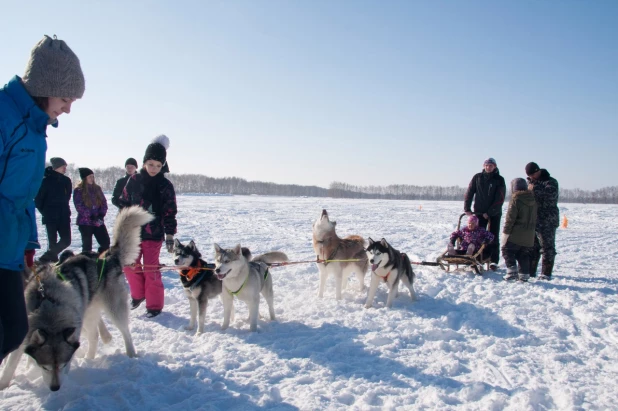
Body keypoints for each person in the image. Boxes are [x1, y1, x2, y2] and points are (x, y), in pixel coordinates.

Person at [0, 35, 84, 362]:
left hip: (10, 247)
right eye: (65, 98)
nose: (68, 108)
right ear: (43, 86)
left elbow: (21, 198)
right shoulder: (7, 117)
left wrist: (27, 245)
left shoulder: (36, 130)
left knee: (13, 331)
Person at [119, 135, 177, 318]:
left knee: (151, 270)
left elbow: (170, 211)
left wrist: (169, 235)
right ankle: (138, 295)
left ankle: (154, 305)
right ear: (144, 162)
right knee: (129, 266)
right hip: (133, 233)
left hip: (154, 234)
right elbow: (124, 204)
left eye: (158, 166)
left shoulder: (165, 186)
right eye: (151, 164)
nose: (154, 169)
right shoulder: (134, 181)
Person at [463, 157, 505, 270]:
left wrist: (490, 212)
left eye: (491, 165)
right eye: (487, 165)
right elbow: (470, 192)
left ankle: (493, 260)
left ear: (494, 167)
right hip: (479, 212)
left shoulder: (499, 179)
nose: (488, 167)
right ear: (483, 166)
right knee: (477, 236)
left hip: (494, 214)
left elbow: (500, 198)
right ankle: (478, 258)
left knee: (493, 236)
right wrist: (467, 207)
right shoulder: (478, 177)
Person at [525, 162, 559, 280]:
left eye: (532, 175)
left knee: (547, 247)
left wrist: (534, 187)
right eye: (529, 176)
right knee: (532, 246)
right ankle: (530, 271)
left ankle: (546, 273)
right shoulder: (531, 183)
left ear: (537, 171)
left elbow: (549, 195)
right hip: (534, 219)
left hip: (548, 219)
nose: (531, 178)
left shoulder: (551, 182)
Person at [35, 157, 72, 263]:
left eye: (65, 166)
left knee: (66, 240)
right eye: (63, 166)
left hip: (64, 215)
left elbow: (67, 197)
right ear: (56, 167)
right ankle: (51, 266)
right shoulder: (45, 181)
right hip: (50, 217)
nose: (65, 168)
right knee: (52, 243)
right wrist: (46, 213)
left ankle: (44, 259)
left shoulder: (67, 181)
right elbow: (38, 201)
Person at [501, 178, 538, 282]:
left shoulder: (516, 199)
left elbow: (510, 219)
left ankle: (512, 272)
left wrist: (505, 234)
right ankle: (524, 274)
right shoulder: (533, 199)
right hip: (530, 235)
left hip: (517, 233)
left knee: (507, 250)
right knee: (524, 254)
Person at [73, 167, 110, 254]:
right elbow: (79, 206)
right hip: (85, 222)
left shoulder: (97, 188)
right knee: (87, 246)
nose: (92, 178)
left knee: (105, 243)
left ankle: (100, 260)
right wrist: (90, 215)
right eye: (89, 177)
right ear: (84, 178)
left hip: (98, 221)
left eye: (93, 176)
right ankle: (86, 263)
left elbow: (104, 202)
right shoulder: (78, 190)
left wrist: (101, 215)